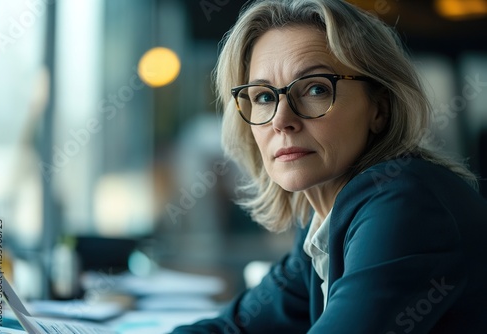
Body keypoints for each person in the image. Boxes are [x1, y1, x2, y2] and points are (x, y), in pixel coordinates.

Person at [172, 0, 487, 332]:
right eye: (264, 97)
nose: (281, 120)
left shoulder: (405, 204)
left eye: (315, 89)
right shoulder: (323, 220)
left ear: (379, 108)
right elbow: (236, 328)